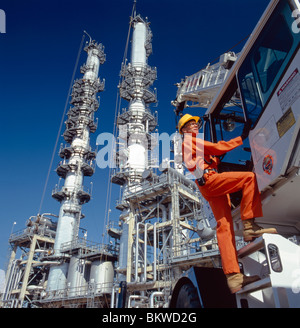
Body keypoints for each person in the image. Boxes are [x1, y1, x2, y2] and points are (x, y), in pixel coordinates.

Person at [178, 113, 277, 293]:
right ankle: (249, 226)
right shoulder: (189, 140)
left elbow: (199, 159)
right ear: (184, 130)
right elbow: (216, 148)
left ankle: (234, 277)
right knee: (249, 178)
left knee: (224, 226)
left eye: (195, 123)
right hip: (210, 180)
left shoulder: (193, 144)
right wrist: (241, 137)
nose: (195, 126)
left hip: (208, 185)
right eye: (190, 124)